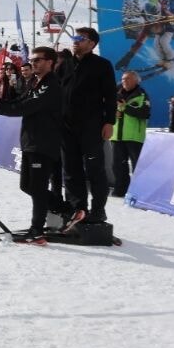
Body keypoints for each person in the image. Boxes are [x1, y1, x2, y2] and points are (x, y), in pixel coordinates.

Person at [0, 46, 64, 242]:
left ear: (50, 63)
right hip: (30, 140)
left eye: (38, 60)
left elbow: (28, 107)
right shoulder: (35, 82)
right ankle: (67, 209)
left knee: (37, 187)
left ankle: (37, 230)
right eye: (33, 59)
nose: (33, 63)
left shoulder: (51, 84)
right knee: (27, 186)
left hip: (43, 142)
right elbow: (18, 100)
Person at [59, 27, 118, 228]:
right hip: (66, 127)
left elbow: (110, 96)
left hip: (92, 126)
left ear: (92, 44)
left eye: (81, 38)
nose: (75, 41)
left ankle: (98, 210)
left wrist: (110, 122)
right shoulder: (65, 65)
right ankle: (78, 209)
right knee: (70, 170)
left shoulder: (102, 65)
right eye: (74, 37)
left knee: (95, 170)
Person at [110, 70, 151, 197]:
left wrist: (125, 108)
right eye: (123, 79)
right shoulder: (115, 94)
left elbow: (145, 113)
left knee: (137, 166)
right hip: (117, 135)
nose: (124, 81)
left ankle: (139, 192)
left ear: (136, 81)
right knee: (118, 166)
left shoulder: (142, 95)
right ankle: (120, 190)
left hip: (134, 137)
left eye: (128, 79)